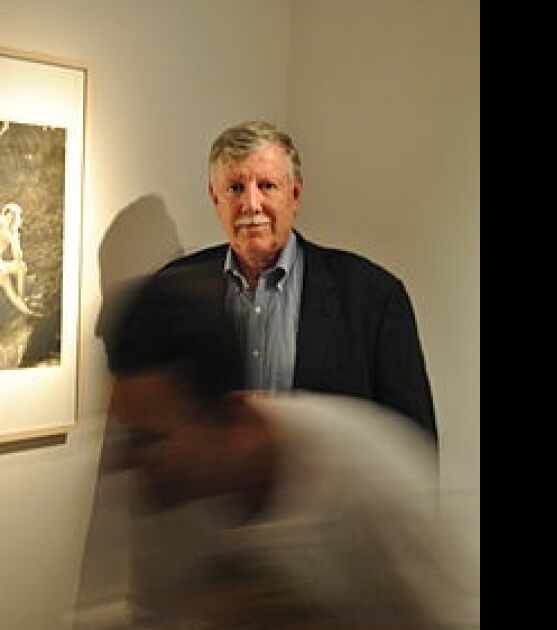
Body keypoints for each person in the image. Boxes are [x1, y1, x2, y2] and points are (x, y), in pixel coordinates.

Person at [100, 268, 470, 628]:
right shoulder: (164, 495)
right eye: (126, 436)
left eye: (147, 440)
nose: (127, 463)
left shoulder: (374, 480)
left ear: (230, 415)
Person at [158, 121, 436, 437]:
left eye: (267, 186)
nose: (251, 204)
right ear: (214, 198)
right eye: (235, 188)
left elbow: (414, 444)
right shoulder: (173, 289)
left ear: (295, 194)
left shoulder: (373, 297)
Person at [1, 202, 37, 316]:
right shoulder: (1, 224)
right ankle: (23, 301)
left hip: (1, 264)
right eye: (8, 214)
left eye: (13, 216)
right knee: (19, 269)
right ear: (4, 214)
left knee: (9, 286)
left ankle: (25, 309)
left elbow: (18, 255)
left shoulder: (12, 231)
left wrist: (15, 236)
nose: (9, 218)